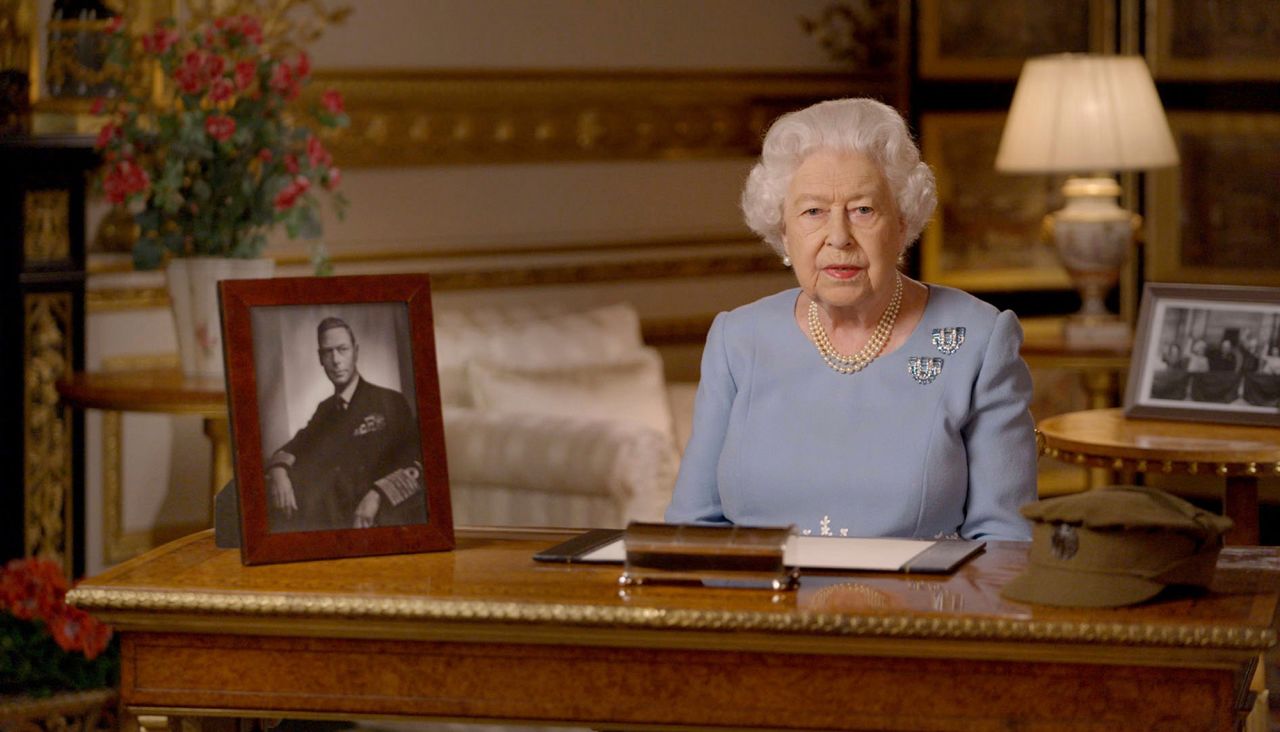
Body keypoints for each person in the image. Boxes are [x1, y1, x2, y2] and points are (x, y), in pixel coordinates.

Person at [665, 98, 1036, 541]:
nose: (838, 237)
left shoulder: (976, 340)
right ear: (783, 232)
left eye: (863, 210)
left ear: (901, 225)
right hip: (759, 606)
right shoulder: (738, 339)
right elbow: (691, 531)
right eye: (813, 212)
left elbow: (1005, 545)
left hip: (914, 608)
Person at [266, 317, 426, 533]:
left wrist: (377, 495)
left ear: (356, 351)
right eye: (328, 352)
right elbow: (295, 446)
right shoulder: (325, 410)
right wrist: (278, 471)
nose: (336, 360)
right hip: (333, 523)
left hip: (381, 520)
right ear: (320, 358)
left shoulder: (390, 401)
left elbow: (416, 462)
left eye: (343, 349)